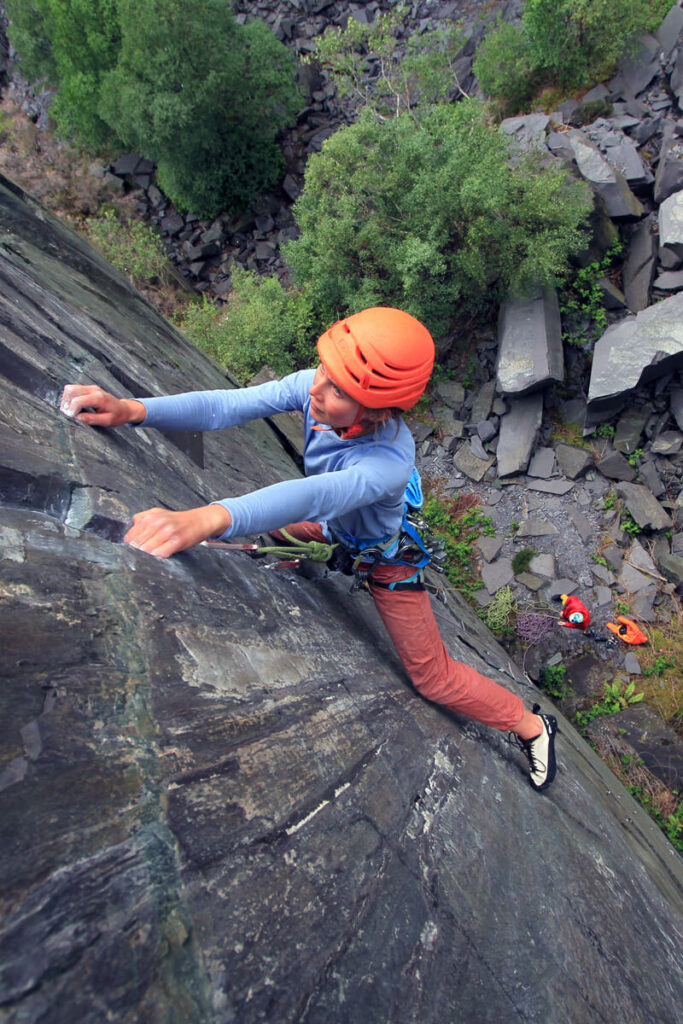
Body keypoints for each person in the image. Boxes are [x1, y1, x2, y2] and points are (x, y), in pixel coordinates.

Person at [61, 306, 558, 791]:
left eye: (338, 389)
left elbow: (316, 495)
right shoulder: (322, 389)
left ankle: (531, 727)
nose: (315, 389)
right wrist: (133, 410)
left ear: (380, 409)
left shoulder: (385, 461)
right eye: (323, 370)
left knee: (433, 679)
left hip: (382, 560)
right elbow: (229, 405)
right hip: (333, 528)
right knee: (256, 540)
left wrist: (207, 516)